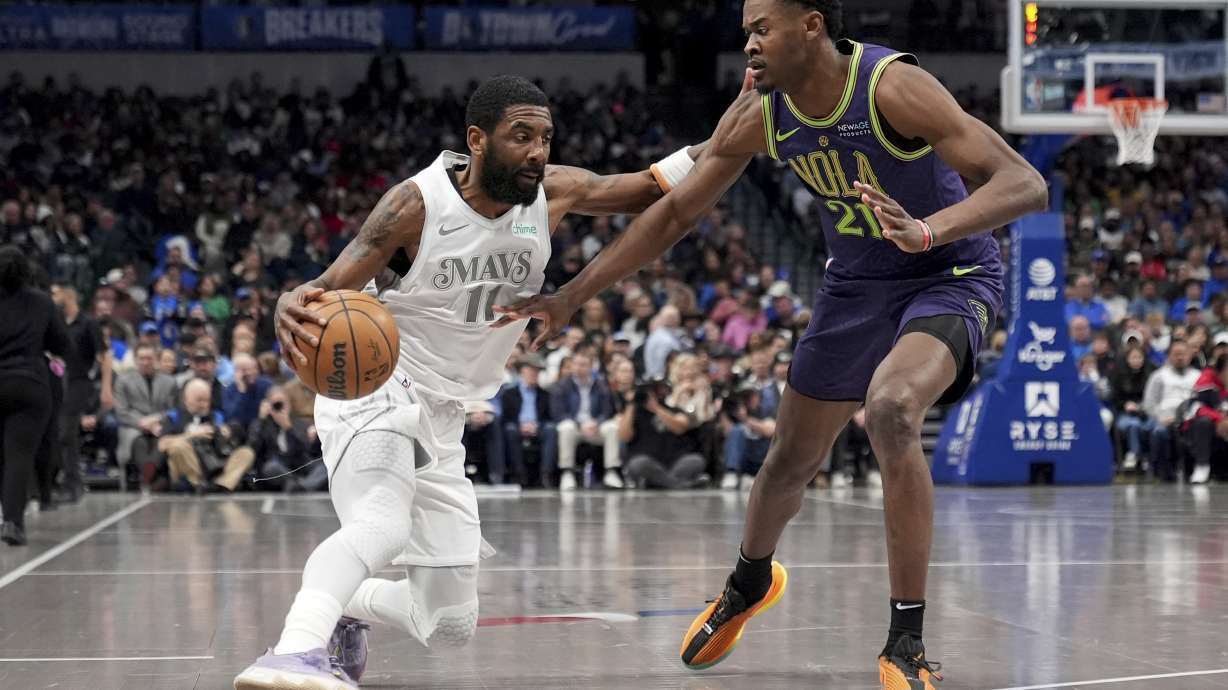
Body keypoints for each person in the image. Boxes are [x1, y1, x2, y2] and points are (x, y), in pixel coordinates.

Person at [495, 1, 1047, 684]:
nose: (748, 41)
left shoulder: (890, 85)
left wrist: (929, 230)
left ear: (811, 26)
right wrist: (569, 296)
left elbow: (1026, 183)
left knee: (893, 410)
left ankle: (904, 639)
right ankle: (748, 582)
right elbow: (673, 212)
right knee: (789, 459)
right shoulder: (760, 111)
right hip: (855, 283)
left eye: (763, 28)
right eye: (747, 29)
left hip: (947, 270)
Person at [235, 74, 724, 688]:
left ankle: (348, 607)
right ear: (479, 140)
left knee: (447, 625)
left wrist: (746, 114)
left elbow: (649, 187)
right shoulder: (413, 205)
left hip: (446, 410)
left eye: (545, 137)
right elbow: (328, 293)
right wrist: (290, 300)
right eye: (522, 136)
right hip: (379, 385)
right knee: (381, 524)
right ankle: (293, 651)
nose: (538, 151)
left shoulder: (555, 190)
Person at [0, 246, 70, 545]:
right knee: (18, 456)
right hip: (29, 383)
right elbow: (61, 343)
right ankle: (13, 523)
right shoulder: (42, 302)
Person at [1142, 340, 1200, 482]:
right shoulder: (1158, 376)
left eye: (1183, 354)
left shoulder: (1198, 376)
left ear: (1190, 356)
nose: (1180, 357)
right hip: (1165, 419)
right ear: (1169, 356)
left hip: (1190, 420)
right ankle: (1162, 474)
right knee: (1159, 432)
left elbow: (1202, 401)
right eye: (1176, 354)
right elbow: (1149, 404)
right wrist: (1160, 417)